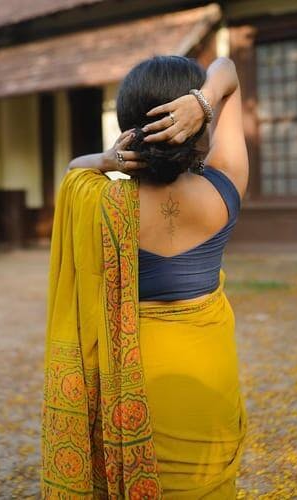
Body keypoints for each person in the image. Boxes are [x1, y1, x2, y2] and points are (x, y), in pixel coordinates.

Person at [41, 55, 249, 499]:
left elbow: (74, 171)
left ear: (129, 127)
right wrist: (205, 100)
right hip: (210, 372)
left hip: (135, 382)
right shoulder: (226, 185)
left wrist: (106, 159)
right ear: (197, 123)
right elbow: (228, 69)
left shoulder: (100, 201)